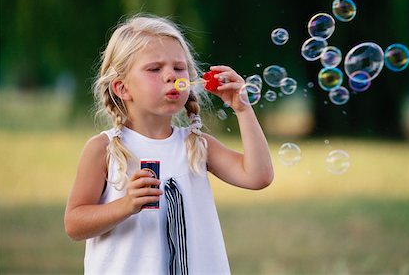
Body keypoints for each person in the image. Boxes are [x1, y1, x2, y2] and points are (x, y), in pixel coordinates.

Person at [64, 14, 274, 275]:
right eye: (154, 69)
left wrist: (243, 109)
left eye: (179, 68)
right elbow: (74, 224)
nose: (170, 76)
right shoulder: (104, 149)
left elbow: (258, 176)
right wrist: (126, 205)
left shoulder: (196, 144)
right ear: (122, 88)